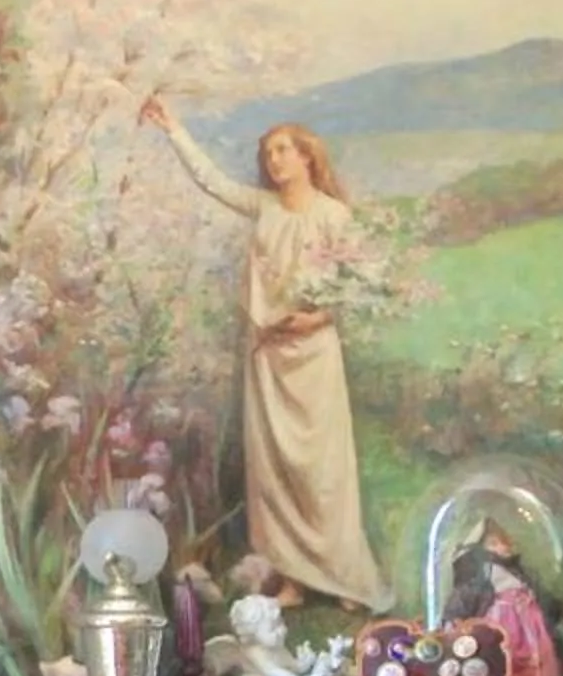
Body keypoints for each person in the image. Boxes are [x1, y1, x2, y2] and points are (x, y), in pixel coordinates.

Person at [140, 95, 392, 611]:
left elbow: (361, 285)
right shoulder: (265, 207)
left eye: (284, 150)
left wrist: (317, 317)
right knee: (275, 471)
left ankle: (342, 576)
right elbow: (210, 180)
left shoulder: (334, 215)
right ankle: (295, 581)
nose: (274, 160)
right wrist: (174, 129)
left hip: (314, 356)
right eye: (269, 153)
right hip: (270, 357)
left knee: (320, 470)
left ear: (307, 157)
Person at [445, 516, 563, 676]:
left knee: (540, 670)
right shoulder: (481, 573)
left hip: (532, 628)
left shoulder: (520, 572)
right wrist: (453, 620)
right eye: (494, 544)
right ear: (481, 548)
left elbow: (542, 595)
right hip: (504, 627)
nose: (503, 547)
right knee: (504, 665)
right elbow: (465, 596)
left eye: (504, 542)